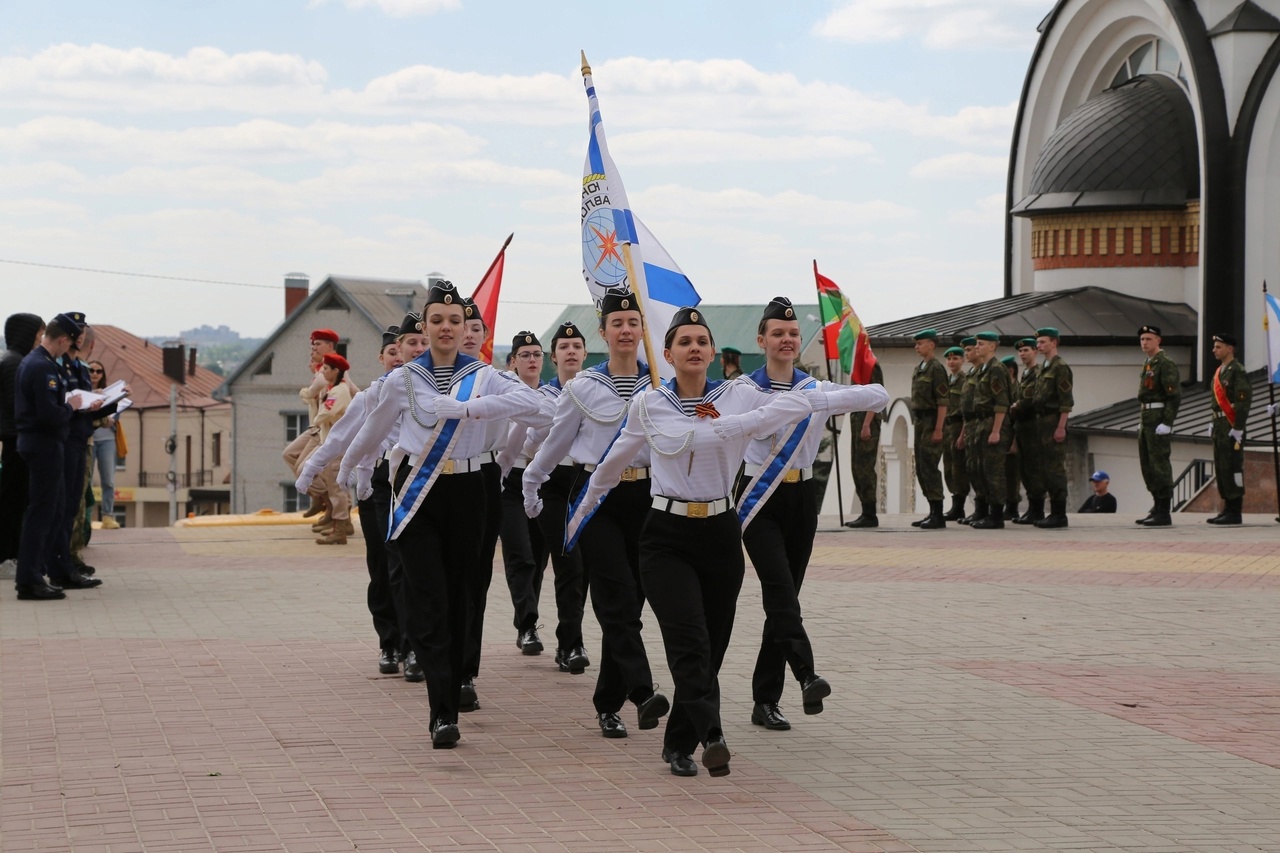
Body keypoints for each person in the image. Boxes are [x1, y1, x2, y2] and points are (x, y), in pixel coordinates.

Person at [568, 305, 887, 778]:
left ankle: (679, 743)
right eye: (685, 342)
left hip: (719, 533)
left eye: (702, 341)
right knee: (689, 642)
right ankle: (713, 733)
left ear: (712, 352)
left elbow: (802, 403)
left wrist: (853, 397)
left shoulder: (737, 395)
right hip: (665, 536)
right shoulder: (650, 404)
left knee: (712, 648)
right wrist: (579, 515)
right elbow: (615, 461)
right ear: (669, 355)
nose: (694, 348)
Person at [340, 281, 545, 749]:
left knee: (461, 597)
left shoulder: (485, 375)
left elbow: (535, 406)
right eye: (437, 321)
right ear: (426, 327)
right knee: (428, 597)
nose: (447, 328)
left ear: (464, 327)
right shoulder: (405, 378)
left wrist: (470, 409)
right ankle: (441, 711)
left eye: (455, 321)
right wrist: (353, 464)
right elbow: (375, 428)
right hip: (418, 489)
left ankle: (452, 692)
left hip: (470, 490)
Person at [524, 289, 669, 742]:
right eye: (617, 324)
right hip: (595, 500)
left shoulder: (661, 386)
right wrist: (532, 482)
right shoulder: (583, 388)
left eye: (633, 323)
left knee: (630, 606)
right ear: (603, 333)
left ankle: (607, 703)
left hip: (646, 499)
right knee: (616, 599)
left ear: (642, 330)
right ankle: (643, 692)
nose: (626, 330)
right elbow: (556, 444)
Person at [741, 297, 875, 732]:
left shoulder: (814, 389)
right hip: (759, 498)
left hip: (802, 499)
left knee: (785, 601)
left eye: (793, 334)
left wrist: (820, 400)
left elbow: (878, 393)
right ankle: (806, 673)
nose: (786, 339)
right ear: (761, 340)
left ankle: (765, 701)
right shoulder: (744, 390)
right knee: (779, 590)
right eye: (777, 333)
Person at [300, 318, 425, 678]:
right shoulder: (374, 394)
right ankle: (390, 643)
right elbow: (339, 437)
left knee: (410, 565)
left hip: (418, 481)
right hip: (378, 485)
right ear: (389, 353)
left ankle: (412, 645)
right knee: (383, 567)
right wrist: (312, 468)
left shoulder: (433, 390)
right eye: (400, 349)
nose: (408, 354)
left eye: (421, 344)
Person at [501, 322, 589, 674]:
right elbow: (521, 446)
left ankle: (569, 638)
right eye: (563, 347)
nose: (570, 351)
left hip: (584, 482)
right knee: (563, 559)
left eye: (577, 346)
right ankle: (566, 640)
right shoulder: (544, 398)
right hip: (546, 484)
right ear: (556, 357)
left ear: (584, 353)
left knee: (580, 569)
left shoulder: (597, 391)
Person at [13, 313, 99, 600]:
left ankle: (44, 572)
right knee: (42, 512)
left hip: (46, 444)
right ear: (62, 339)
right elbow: (49, 414)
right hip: (43, 444)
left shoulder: (44, 363)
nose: (68, 351)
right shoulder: (40, 366)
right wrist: (72, 407)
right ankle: (29, 579)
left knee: (53, 509)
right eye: (68, 344)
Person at [498, 331, 552, 655]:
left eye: (536, 354)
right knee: (521, 554)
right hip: (510, 480)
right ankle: (529, 624)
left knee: (539, 557)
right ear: (513, 361)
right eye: (525, 355)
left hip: (542, 480)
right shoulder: (504, 395)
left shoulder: (551, 396)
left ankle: (524, 624)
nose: (532, 360)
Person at [0, 312, 44, 571]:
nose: (40, 339)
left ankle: (12, 553)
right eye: (38, 333)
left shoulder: (16, 360)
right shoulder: (14, 362)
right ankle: (6, 555)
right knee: (12, 500)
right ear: (25, 334)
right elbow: (18, 405)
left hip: (17, 437)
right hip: (17, 439)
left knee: (16, 499)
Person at [283, 328, 340, 521]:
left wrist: (308, 390)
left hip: (327, 429)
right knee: (290, 455)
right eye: (313, 344)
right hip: (316, 427)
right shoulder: (320, 370)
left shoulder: (331, 371)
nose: (313, 348)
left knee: (306, 470)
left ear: (330, 347)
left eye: (318, 344)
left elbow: (308, 395)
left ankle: (330, 504)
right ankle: (320, 498)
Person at [1136, 325, 1181, 527]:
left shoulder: (1165, 363)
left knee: (1159, 464)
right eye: (1142, 339)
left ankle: (1164, 511)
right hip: (1146, 417)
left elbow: (1174, 396)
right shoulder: (1148, 363)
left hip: (1158, 418)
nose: (1144, 342)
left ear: (1158, 341)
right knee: (1148, 465)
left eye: (1149, 339)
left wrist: (1167, 423)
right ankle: (1156, 504)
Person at [1032, 327, 1074, 529]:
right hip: (1041, 422)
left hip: (1053, 421)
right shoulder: (1044, 367)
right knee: (1045, 469)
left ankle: (1059, 514)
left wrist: (1061, 427)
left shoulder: (1060, 367)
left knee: (1055, 469)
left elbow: (1066, 401)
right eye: (1038, 343)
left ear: (1054, 343)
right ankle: (1052, 513)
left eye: (1043, 342)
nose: (1038, 346)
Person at [969, 332, 1011, 529]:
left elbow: (1001, 402)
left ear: (992, 347)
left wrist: (996, 431)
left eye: (981, 344)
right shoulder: (983, 369)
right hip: (981, 423)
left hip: (993, 423)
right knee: (981, 470)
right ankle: (984, 512)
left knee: (994, 471)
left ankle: (996, 516)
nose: (977, 347)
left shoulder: (997, 369)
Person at [1207, 333, 1250, 525]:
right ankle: (1227, 507)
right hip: (1220, 425)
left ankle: (1235, 509)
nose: (1214, 350)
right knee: (1221, 466)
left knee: (1232, 466)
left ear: (1229, 348)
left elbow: (1242, 401)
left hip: (1231, 425)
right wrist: (1212, 422)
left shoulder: (1237, 370)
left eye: (1218, 347)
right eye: (1214, 347)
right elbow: (1215, 402)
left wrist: (1238, 427)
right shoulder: (1220, 371)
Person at [909, 329, 950, 529]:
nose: (917, 347)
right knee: (922, 467)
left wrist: (939, 429)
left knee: (931, 467)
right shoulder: (920, 368)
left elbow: (943, 401)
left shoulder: (936, 369)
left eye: (920, 343)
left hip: (932, 421)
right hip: (920, 422)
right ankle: (932, 510)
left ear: (931, 345)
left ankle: (938, 514)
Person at [312, 352, 354, 544]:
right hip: (335, 443)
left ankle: (339, 528)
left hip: (337, 445)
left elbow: (326, 413)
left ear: (336, 371)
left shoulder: (339, 392)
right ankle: (342, 524)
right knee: (335, 485)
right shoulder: (335, 389)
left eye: (326, 368)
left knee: (336, 487)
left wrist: (316, 421)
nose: (323, 371)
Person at [844, 358, 884, 528]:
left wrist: (867, 424)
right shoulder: (858, 366)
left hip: (868, 422)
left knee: (865, 467)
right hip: (857, 419)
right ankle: (865, 511)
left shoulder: (871, 365)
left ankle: (870, 514)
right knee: (856, 467)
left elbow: (877, 397)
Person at [1009, 338, 1044, 525]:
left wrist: (1016, 405)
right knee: (1025, 470)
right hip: (1022, 426)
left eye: (1026, 350)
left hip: (1032, 426)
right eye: (1020, 351)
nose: (1022, 354)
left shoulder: (1038, 373)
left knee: (1034, 469)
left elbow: (1031, 400)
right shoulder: (1026, 374)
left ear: (1035, 352)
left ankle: (1037, 509)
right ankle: (1032, 508)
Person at [86, 360, 121, 528]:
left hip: (107, 439)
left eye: (98, 371)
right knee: (87, 480)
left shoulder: (109, 393)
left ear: (103, 375)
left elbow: (115, 415)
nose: (94, 374)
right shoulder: (84, 391)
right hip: (89, 439)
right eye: (91, 370)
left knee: (108, 480)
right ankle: (86, 517)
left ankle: (108, 515)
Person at [956, 337, 986, 525]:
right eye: (967, 350)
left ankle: (990, 512)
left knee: (986, 470)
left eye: (971, 349)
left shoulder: (990, 371)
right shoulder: (972, 374)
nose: (968, 353)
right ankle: (980, 510)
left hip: (984, 423)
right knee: (974, 469)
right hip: (972, 425)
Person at [940, 345, 969, 522]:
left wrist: (963, 434)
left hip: (959, 425)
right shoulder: (948, 380)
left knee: (959, 468)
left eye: (955, 359)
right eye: (949, 359)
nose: (952, 362)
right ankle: (954, 504)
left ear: (962, 360)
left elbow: (966, 409)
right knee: (949, 467)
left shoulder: (965, 380)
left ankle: (959, 506)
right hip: (947, 426)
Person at [1000, 355, 1022, 521]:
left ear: (1011, 371)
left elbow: (1017, 417)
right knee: (1004, 472)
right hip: (1003, 434)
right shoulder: (1005, 390)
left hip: (1013, 434)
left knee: (1013, 472)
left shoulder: (1017, 390)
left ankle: (1013, 506)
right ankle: (1007, 504)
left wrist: (1014, 440)